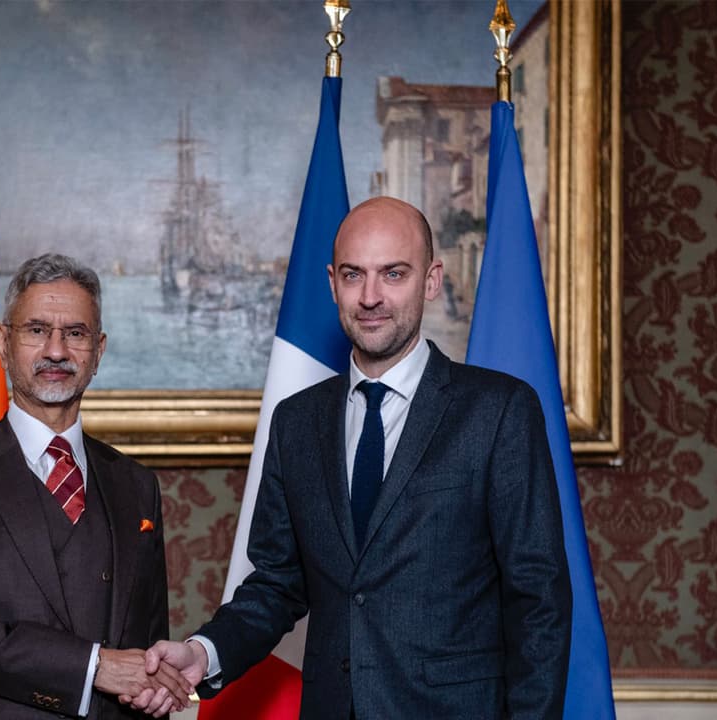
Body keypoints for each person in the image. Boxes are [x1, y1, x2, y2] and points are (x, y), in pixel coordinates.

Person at [140, 197, 572, 719]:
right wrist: (202, 653)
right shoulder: (296, 421)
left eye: (393, 273)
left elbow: (538, 602)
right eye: (353, 275)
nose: (371, 297)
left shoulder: (499, 411)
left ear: (431, 280)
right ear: (331, 283)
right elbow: (276, 583)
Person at [0, 253, 191, 719]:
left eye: (75, 334)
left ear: (97, 352)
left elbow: (144, 647)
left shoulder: (136, 486)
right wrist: (92, 666)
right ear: (3, 343)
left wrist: (155, 684)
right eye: (36, 330)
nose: (56, 351)